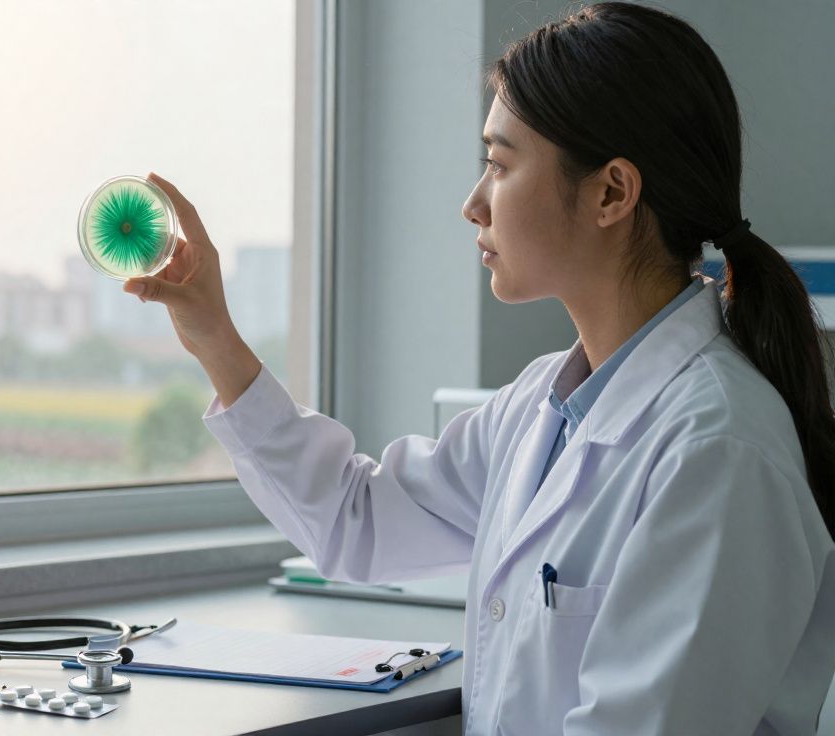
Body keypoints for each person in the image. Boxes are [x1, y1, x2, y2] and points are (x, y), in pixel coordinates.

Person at [122, 3, 835, 734]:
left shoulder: (717, 452)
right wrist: (213, 334)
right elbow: (357, 520)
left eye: (498, 164)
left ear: (612, 193)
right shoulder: (541, 408)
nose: (473, 204)